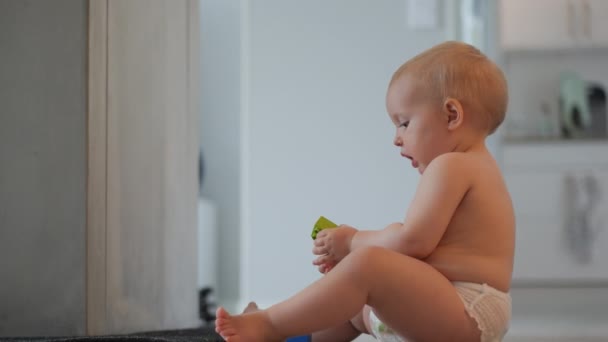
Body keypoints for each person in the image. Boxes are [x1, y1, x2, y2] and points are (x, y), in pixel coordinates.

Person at [215, 40, 515, 342]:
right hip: (446, 307)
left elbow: (413, 241)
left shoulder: (453, 165)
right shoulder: (476, 166)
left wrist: (353, 241)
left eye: (404, 123)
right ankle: (296, 337)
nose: (397, 139)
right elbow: (425, 254)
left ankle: (270, 325)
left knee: (369, 265)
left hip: (466, 308)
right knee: (355, 303)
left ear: (452, 115)